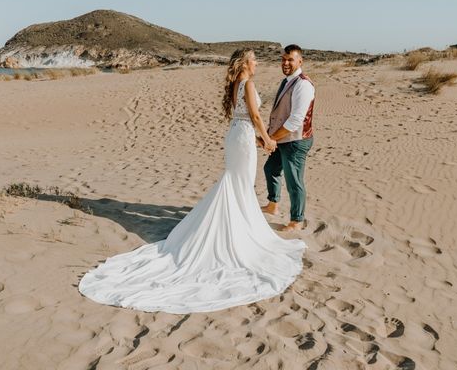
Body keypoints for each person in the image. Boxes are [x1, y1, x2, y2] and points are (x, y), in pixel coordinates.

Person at [78, 49, 307, 313]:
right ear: (245, 63)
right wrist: (267, 139)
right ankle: (238, 233)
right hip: (243, 137)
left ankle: (239, 225)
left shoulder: (236, 83)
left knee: (236, 184)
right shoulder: (248, 83)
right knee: (239, 184)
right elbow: (255, 116)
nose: (257, 63)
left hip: (236, 135)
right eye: (254, 59)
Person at [260, 44, 315, 231]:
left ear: (300, 61)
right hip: (281, 138)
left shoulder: (303, 84)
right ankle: (273, 205)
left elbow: (296, 120)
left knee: (294, 181)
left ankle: (297, 220)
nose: (285, 63)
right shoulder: (286, 82)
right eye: (283, 59)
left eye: (290, 59)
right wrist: (270, 135)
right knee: (270, 169)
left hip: (296, 141)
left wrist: (271, 138)